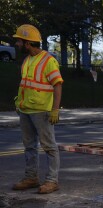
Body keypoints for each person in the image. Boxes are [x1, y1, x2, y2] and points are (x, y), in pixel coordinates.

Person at [12, 24, 63, 195]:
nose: (17, 44)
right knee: (29, 146)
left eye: (19, 41)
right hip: (25, 110)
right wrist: (18, 102)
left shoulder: (48, 60)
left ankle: (52, 181)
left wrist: (55, 110)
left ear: (27, 43)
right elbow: (25, 84)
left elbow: (57, 85)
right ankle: (31, 177)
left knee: (49, 147)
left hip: (42, 111)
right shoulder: (27, 60)